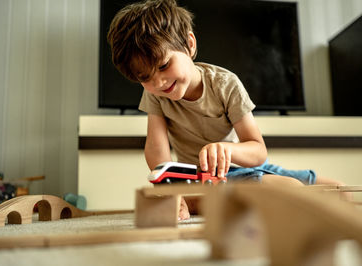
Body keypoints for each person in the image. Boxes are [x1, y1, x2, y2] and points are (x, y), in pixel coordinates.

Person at [107, 0, 345, 220]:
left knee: (340, 191)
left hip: (248, 167)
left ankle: (208, 202)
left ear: (189, 45)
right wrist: (169, 188)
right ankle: (202, 201)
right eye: (145, 77)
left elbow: (258, 150)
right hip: (201, 179)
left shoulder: (225, 84)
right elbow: (157, 147)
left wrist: (226, 150)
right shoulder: (154, 94)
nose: (158, 82)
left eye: (164, 65)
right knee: (290, 191)